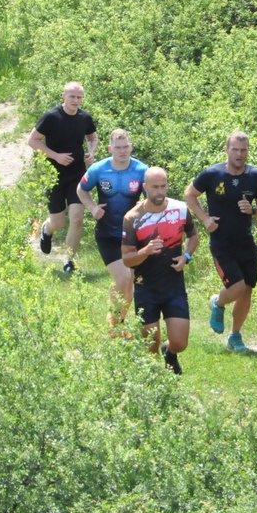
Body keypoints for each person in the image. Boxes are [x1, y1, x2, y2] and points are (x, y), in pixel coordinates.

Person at [184, 131, 257, 352]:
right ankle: (218, 302)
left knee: (247, 290)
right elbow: (189, 195)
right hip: (221, 243)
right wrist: (205, 219)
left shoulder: (256, 175)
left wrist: (253, 210)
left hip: (246, 242)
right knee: (237, 288)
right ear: (227, 149)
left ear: (247, 151)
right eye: (235, 149)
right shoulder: (212, 174)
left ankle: (235, 336)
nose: (239, 154)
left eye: (243, 150)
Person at [122, 166, 198, 375]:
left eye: (163, 186)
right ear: (145, 187)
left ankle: (170, 353)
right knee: (150, 346)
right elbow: (127, 259)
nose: (160, 191)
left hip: (174, 285)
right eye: (155, 187)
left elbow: (193, 236)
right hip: (146, 287)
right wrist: (145, 251)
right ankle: (154, 378)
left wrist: (186, 256)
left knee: (180, 342)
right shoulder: (132, 218)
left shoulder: (180, 209)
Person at [77, 128, 148, 327]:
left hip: (131, 235)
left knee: (129, 284)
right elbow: (81, 190)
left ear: (131, 147)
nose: (122, 151)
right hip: (107, 233)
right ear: (110, 148)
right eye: (118, 147)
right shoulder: (98, 169)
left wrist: (143, 207)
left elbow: (153, 197)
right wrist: (92, 208)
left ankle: (117, 322)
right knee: (124, 279)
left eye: (125, 147)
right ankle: (114, 326)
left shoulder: (142, 170)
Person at [27, 82, 97, 273]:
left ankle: (69, 261)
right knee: (58, 222)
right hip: (54, 174)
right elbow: (32, 140)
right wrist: (56, 156)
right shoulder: (51, 117)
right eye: (72, 96)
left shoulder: (84, 118)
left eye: (79, 97)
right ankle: (47, 229)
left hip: (77, 174)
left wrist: (91, 152)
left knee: (77, 218)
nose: (76, 100)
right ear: (63, 96)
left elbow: (92, 137)